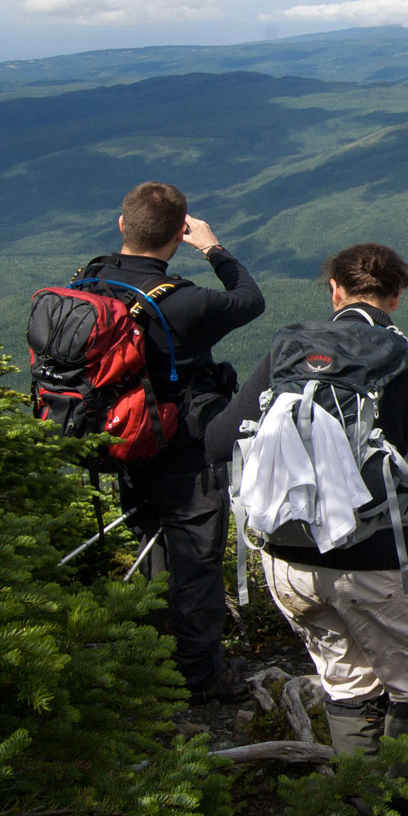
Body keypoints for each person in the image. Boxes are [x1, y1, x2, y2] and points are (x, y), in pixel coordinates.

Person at [204, 243, 408, 816]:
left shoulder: (288, 354)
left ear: (334, 290)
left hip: (287, 564)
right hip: (378, 563)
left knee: (348, 689)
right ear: (397, 296)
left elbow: (219, 440)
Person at [87, 180, 264, 704]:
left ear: (123, 225)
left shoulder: (91, 281)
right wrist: (212, 247)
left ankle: (155, 658)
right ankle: (200, 676)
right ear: (177, 235)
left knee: (151, 545)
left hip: (121, 441)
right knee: (196, 562)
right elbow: (249, 299)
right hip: (182, 452)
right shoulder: (182, 302)